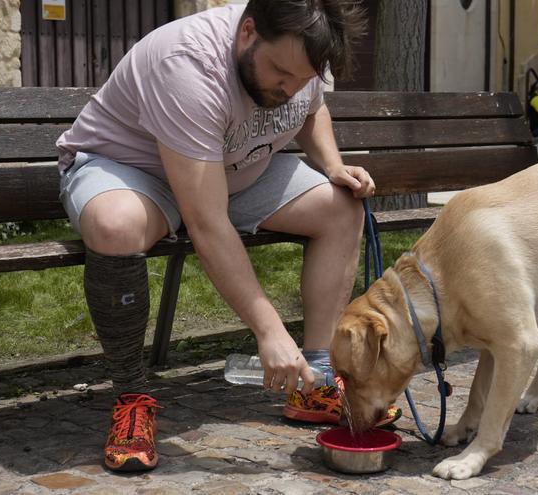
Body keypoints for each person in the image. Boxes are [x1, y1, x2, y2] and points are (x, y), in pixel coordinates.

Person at [56, 0, 398, 472]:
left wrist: (333, 165)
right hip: (133, 171)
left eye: (301, 77)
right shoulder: (188, 65)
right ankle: (132, 396)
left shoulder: (301, 49)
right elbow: (207, 221)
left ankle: (314, 380)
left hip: (235, 170)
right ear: (248, 32)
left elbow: (312, 107)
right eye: (280, 72)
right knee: (115, 225)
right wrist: (269, 332)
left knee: (341, 205)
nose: (290, 87)